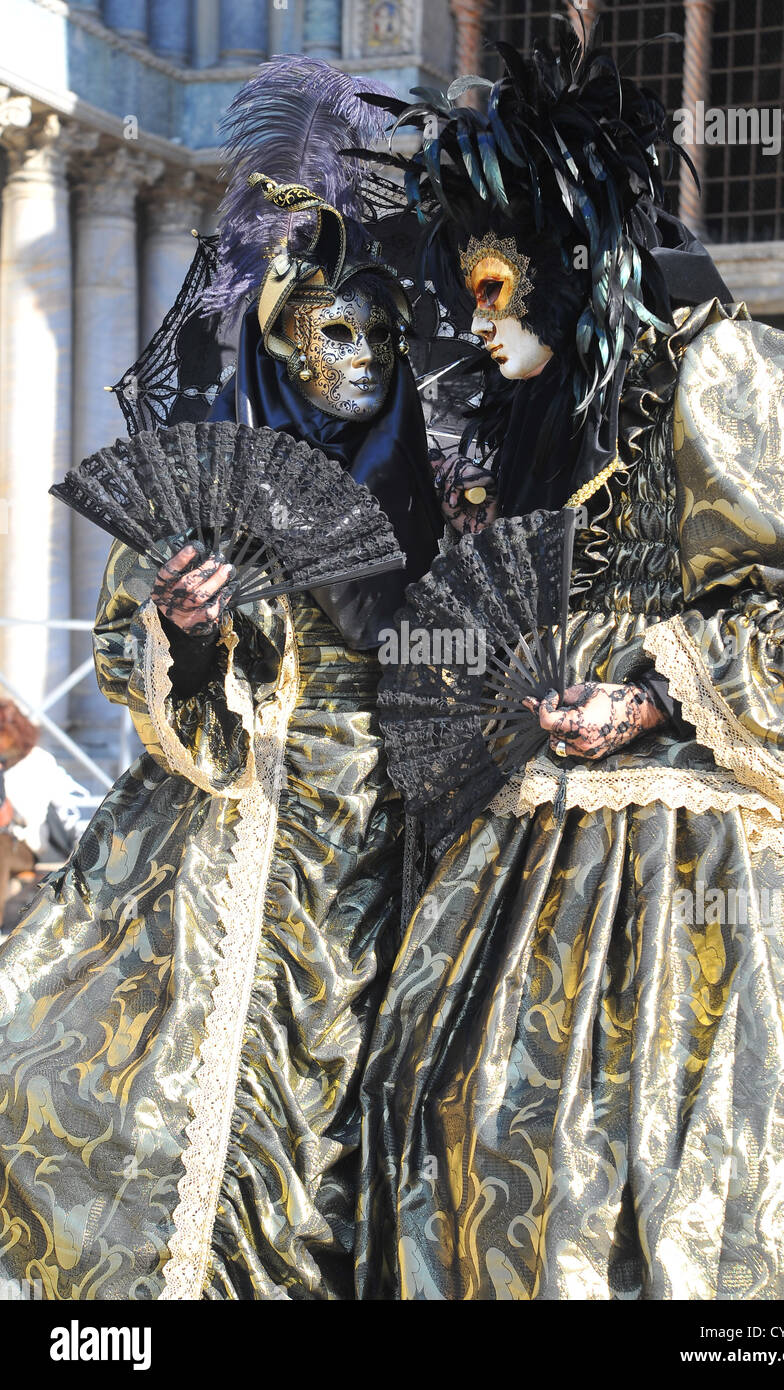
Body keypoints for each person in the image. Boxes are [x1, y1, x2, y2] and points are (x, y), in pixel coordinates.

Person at [354, 26, 784, 1299]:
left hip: (696, 817)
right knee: (464, 1107)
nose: (479, 326)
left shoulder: (719, 361)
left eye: (493, 285)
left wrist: (647, 691)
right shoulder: (539, 416)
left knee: (665, 1140)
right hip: (524, 806)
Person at [0, 58, 440, 1301]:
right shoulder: (215, 468)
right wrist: (186, 628)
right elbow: (134, 659)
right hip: (226, 818)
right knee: (119, 1092)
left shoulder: (453, 480)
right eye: (321, 334)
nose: (350, 361)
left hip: (403, 837)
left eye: (372, 334)